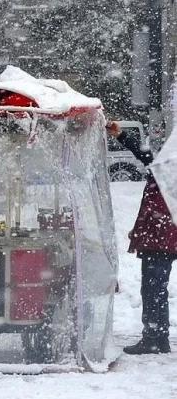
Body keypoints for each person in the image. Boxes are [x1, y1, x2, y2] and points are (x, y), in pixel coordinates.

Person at [108, 121, 177, 354]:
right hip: (160, 237)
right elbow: (146, 155)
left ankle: (153, 338)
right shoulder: (167, 170)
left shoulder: (169, 171)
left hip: (161, 239)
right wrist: (121, 135)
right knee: (156, 289)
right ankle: (159, 337)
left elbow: (146, 156)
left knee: (152, 289)